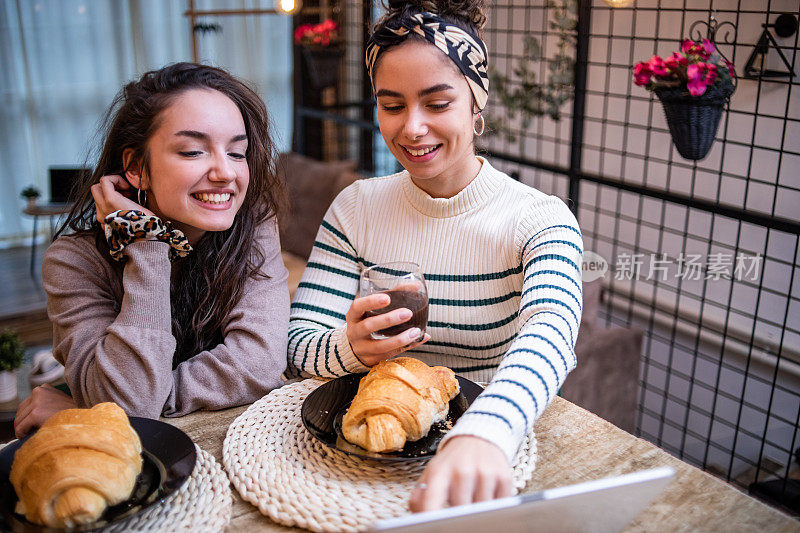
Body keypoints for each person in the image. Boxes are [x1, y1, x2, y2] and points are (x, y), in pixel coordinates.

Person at [287, 0, 584, 513]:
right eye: (393, 105)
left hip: (490, 445)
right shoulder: (356, 208)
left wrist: (485, 432)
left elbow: (552, 330)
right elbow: (298, 345)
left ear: (476, 101)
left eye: (437, 103)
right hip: (364, 454)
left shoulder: (540, 219)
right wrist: (352, 347)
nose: (413, 128)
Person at [15, 63, 290, 437]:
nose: (225, 172)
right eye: (193, 151)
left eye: (237, 152)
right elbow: (133, 408)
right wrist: (145, 243)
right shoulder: (74, 261)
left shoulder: (253, 224)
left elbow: (259, 363)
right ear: (136, 168)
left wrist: (103, 405)